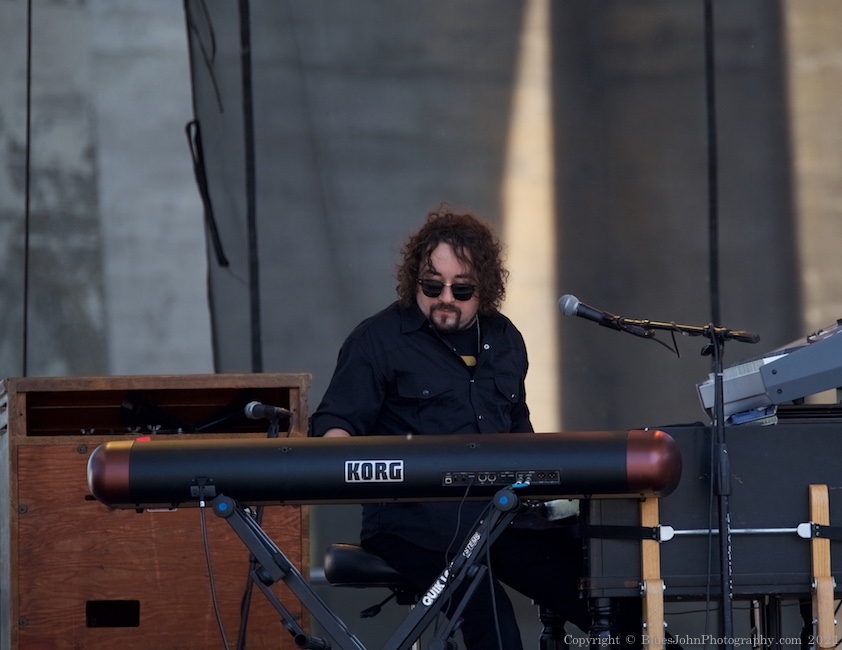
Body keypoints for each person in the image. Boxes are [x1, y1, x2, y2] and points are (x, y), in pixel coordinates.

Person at [309, 206, 591, 649]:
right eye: (431, 285)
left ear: (485, 289)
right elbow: (334, 424)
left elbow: (521, 433)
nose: (445, 297)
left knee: (599, 590)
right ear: (413, 278)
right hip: (415, 525)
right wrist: (342, 456)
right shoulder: (377, 340)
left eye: (461, 289)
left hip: (501, 520)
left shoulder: (505, 339)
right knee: (490, 622)